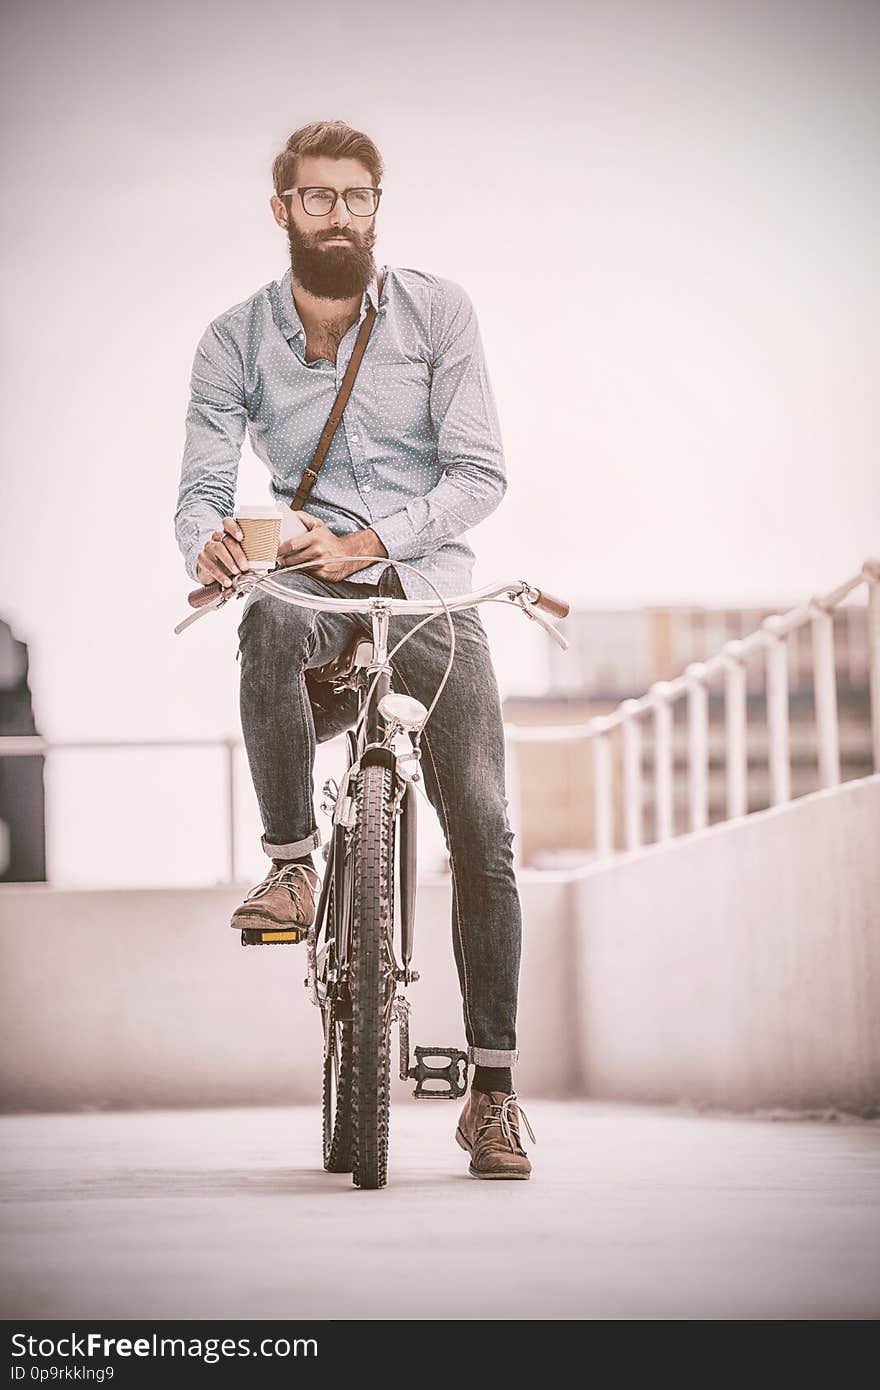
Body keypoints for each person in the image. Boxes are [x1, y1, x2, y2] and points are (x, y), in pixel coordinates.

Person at [174, 120, 533, 1180]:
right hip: (306, 587)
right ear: (281, 208)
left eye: (357, 199)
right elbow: (200, 478)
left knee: (485, 822)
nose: (340, 216)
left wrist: (372, 540)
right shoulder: (233, 339)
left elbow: (478, 472)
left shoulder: (438, 313)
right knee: (267, 618)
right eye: (318, 198)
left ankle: (496, 1093)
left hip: (424, 587)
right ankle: (291, 868)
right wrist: (208, 534)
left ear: (380, 206)